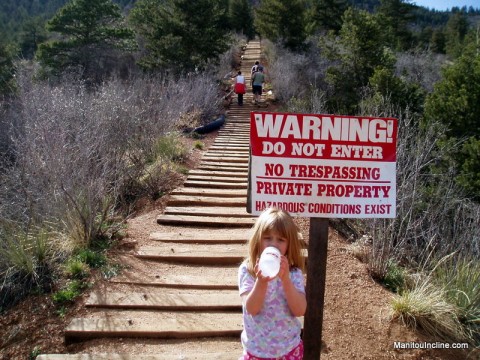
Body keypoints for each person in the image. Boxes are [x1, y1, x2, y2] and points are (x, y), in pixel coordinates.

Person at [238, 207, 306, 359]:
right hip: (257, 351)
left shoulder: (293, 273)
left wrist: (286, 280)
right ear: (258, 239)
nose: (273, 244)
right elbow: (252, 308)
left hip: (288, 350)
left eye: (280, 240)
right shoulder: (248, 271)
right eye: (267, 238)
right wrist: (261, 282)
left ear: (289, 245)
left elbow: (300, 310)